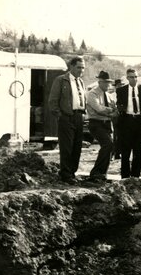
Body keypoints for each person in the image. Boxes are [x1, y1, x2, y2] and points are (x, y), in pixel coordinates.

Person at [47, 56, 87, 184]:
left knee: (77, 147)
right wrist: (60, 116)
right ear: (71, 66)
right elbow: (53, 101)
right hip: (66, 116)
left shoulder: (81, 82)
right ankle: (65, 174)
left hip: (79, 117)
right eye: (79, 67)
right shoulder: (61, 80)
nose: (81, 70)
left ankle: (72, 173)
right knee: (67, 147)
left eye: (83, 68)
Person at [85, 70, 118, 182]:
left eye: (109, 82)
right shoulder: (92, 94)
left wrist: (110, 111)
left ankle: (102, 174)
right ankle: (96, 173)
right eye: (105, 82)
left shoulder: (109, 96)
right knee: (108, 145)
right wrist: (110, 111)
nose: (108, 85)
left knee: (110, 147)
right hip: (96, 123)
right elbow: (98, 109)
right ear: (99, 82)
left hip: (107, 124)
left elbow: (116, 111)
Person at [116, 68, 141, 178]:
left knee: (137, 152)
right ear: (127, 78)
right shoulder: (121, 90)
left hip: (140, 122)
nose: (134, 79)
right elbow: (119, 106)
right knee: (125, 152)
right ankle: (125, 177)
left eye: (135, 76)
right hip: (126, 122)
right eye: (131, 77)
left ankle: (136, 177)